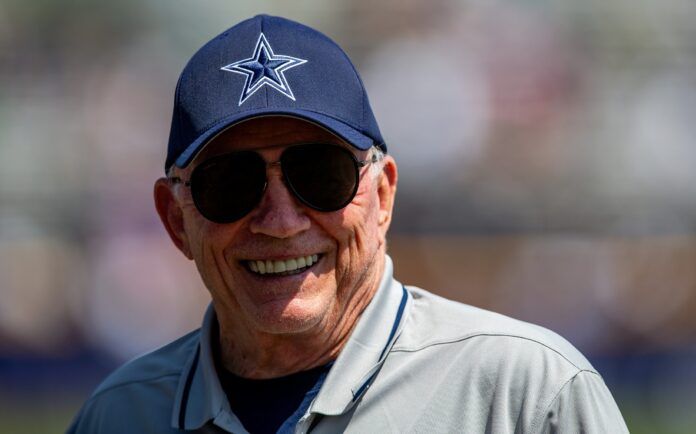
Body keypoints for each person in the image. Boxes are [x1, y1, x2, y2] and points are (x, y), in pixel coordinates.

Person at [67, 14, 628, 434]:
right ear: (175, 221)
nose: (282, 221)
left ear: (382, 196)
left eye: (321, 174)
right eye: (230, 184)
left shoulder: (525, 396)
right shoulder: (118, 416)